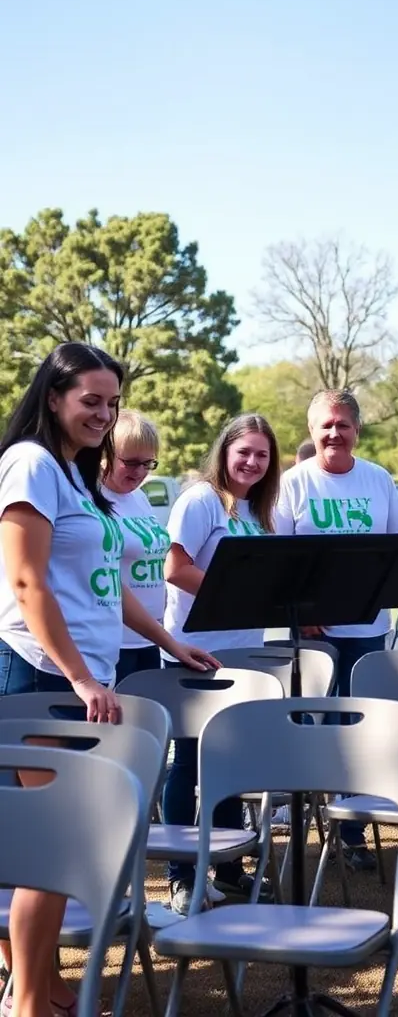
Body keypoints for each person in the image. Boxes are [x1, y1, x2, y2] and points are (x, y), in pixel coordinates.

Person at [0, 344, 216, 1017]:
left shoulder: (74, 474)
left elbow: (106, 585)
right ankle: (30, 1000)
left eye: (111, 402)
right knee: (53, 846)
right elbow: (28, 580)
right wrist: (80, 676)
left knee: (60, 843)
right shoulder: (31, 463)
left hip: (79, 677)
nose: (102, 413)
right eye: (90, 400)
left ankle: (43, 983)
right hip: (37, 672)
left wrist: (168, 640)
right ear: (54, 397)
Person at [275, 389, 398, 872]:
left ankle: (352, 831)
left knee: (359, 725)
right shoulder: (292, 484)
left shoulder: (377, 479)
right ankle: (306, 828)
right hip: (312, 631)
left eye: (343, 424)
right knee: (312, 725)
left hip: (368, 625)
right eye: (325, 425)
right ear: (312, 430)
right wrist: (300, 610)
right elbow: (277, 558)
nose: (334, 433)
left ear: (357, 429)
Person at [162, 412, 281, 915]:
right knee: (187, 766)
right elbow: (176, 568)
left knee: (231, 765)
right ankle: (181, 876)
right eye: (244, 452)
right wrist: (234, 593)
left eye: (262, 454)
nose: (252, 462)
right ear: (225, 452)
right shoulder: (201, 500)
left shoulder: (258, 510)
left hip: (243, 656)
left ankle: (229, 870)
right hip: (194, 653)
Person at [102, 410, 171, 683]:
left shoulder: (139, 497)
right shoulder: (91, 498)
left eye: (148, 463)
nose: (140, 472)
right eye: (130, 463)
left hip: (152, 637)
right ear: (105, 454)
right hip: (116, 641)